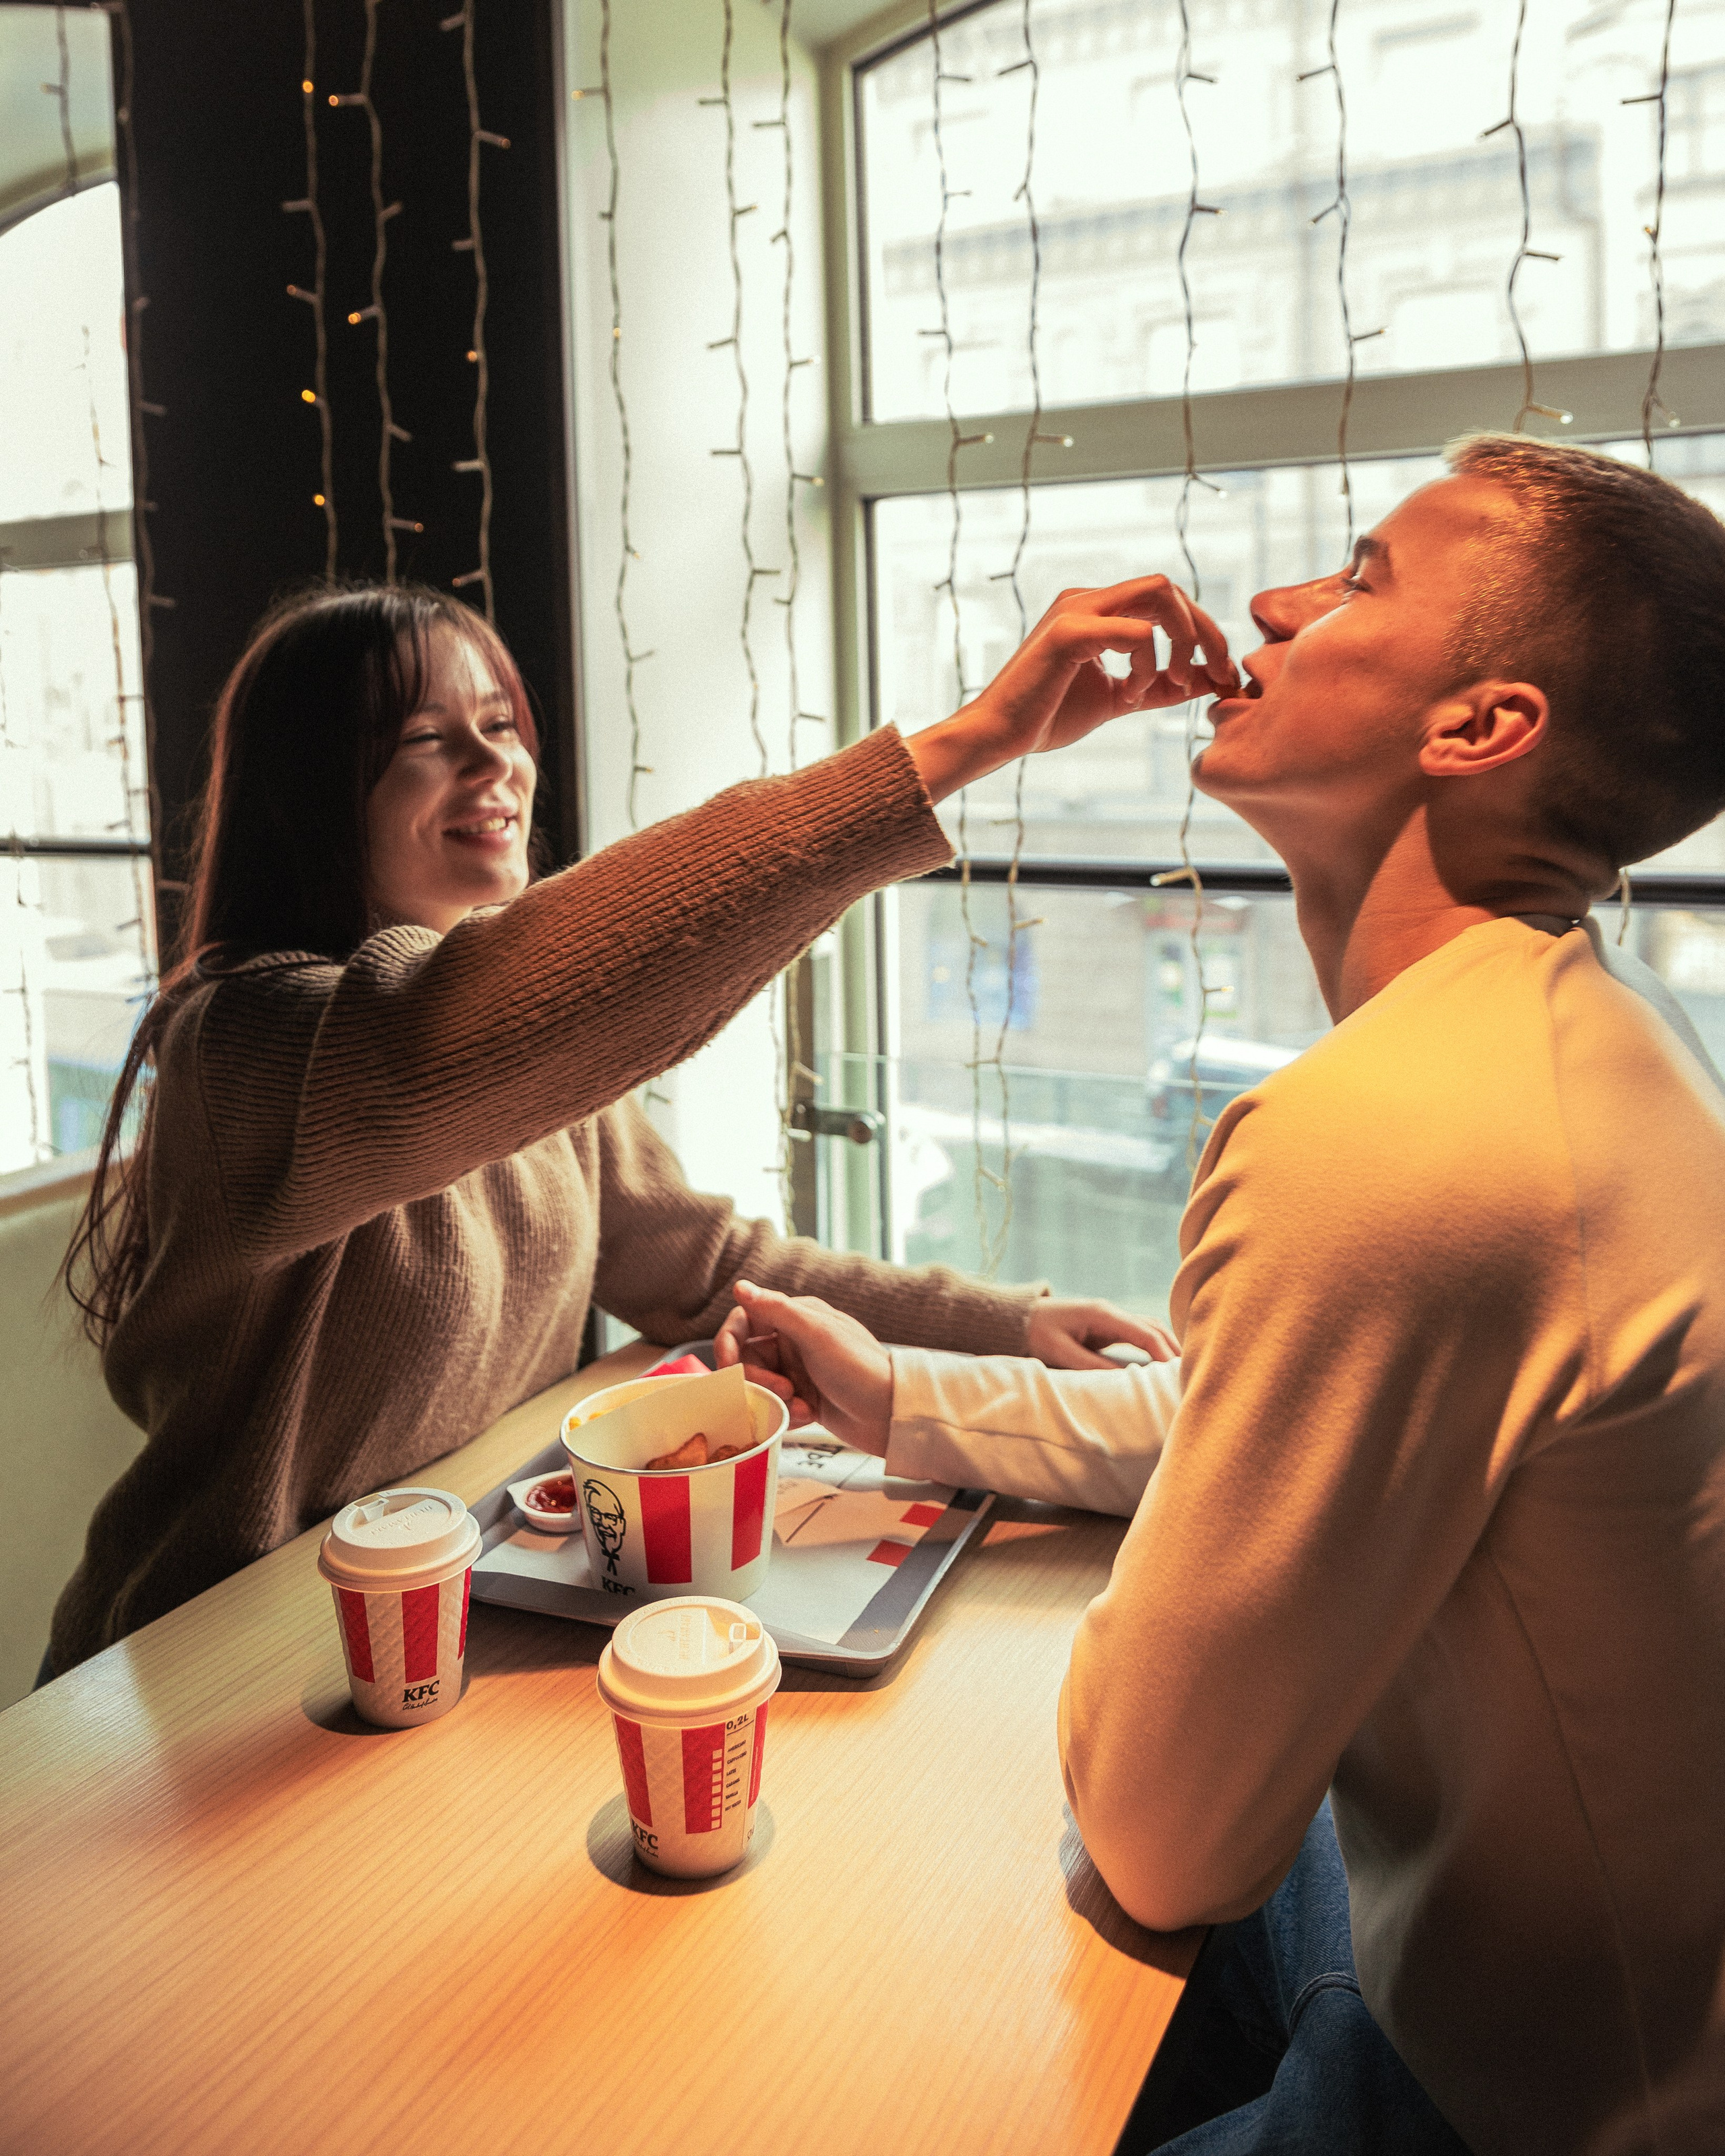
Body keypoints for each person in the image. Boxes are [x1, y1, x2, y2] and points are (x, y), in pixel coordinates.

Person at [714, 436, 1725, 2156]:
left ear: (1478, 726)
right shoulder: (1585, 1033)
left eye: (1354, 575)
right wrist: (910, 1398)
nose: (1269, 601)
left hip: (1538, 2107)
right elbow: (1288, 1439)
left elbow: (1161, 1830)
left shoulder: (1396, 1135)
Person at [46, 571, 1232, 1678]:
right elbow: (443, 1032)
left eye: (502, 727)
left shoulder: (529, 1070)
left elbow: (712, 1272)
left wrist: (1007, 1329)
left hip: (448, 1618)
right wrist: (966, 743)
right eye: (424, 739)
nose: (492, 766)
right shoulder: (245, 1043)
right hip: (215, 1658)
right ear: (311, 789)